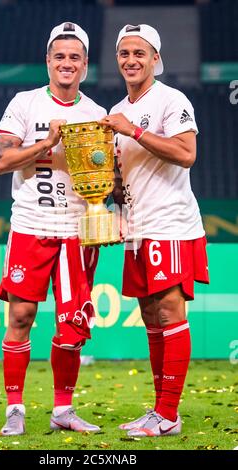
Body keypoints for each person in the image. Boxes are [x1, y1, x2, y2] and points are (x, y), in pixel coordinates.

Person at [0, 22, 106, 436]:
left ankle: (62, 409)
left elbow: (105, 174)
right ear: (48, 61)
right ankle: (15, 409)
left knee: (71, 327)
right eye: (59, 56)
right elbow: (2, 161)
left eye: (75, 57)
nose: (67, 63)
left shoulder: (97, 114)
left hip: (77, 233)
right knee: (21, 315)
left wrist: (106, 209)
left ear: (85, 64)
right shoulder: (24, 104)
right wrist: (47, 143)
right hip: (30, 226)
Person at [99, 24, 209, 437]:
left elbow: (186, 154)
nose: (131, 60)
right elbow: (121, 176)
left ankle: (168, 414)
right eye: (124, 53)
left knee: (169, 310)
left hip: (171, 224)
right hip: (138, 228)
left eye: (139, 53)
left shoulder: (171, 100)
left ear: (156, 59)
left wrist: (135, 131)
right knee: (149, 315)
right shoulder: (117, 109)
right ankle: (162, 410)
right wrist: (104, 198)